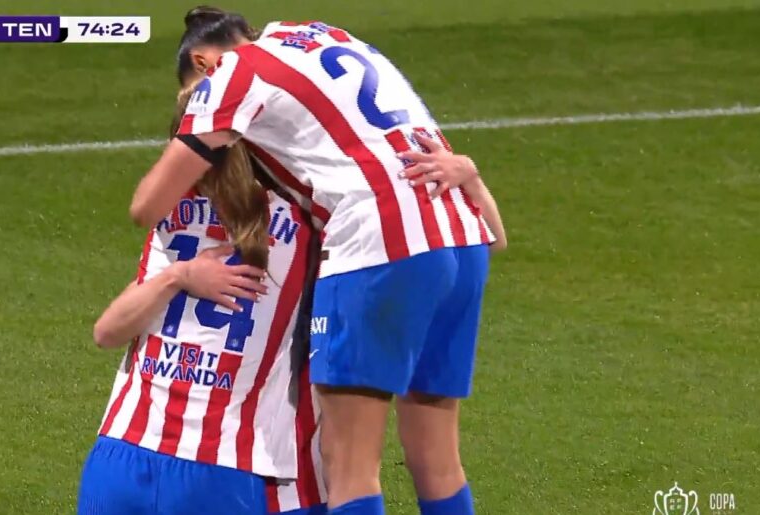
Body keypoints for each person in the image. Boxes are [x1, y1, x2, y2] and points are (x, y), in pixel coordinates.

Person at [129, 6, 508, 515]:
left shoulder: (232, 75)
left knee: (347, 462)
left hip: (378, 246)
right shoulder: (321, 36)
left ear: (203, 61)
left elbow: (147, 206)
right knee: (436, 457)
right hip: (459, 232)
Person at [78, 80, 327, 515]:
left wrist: (177, 274)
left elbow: (107, 332)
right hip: (224, 468)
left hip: (121, 453)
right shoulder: (308, 224)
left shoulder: (172, 216)